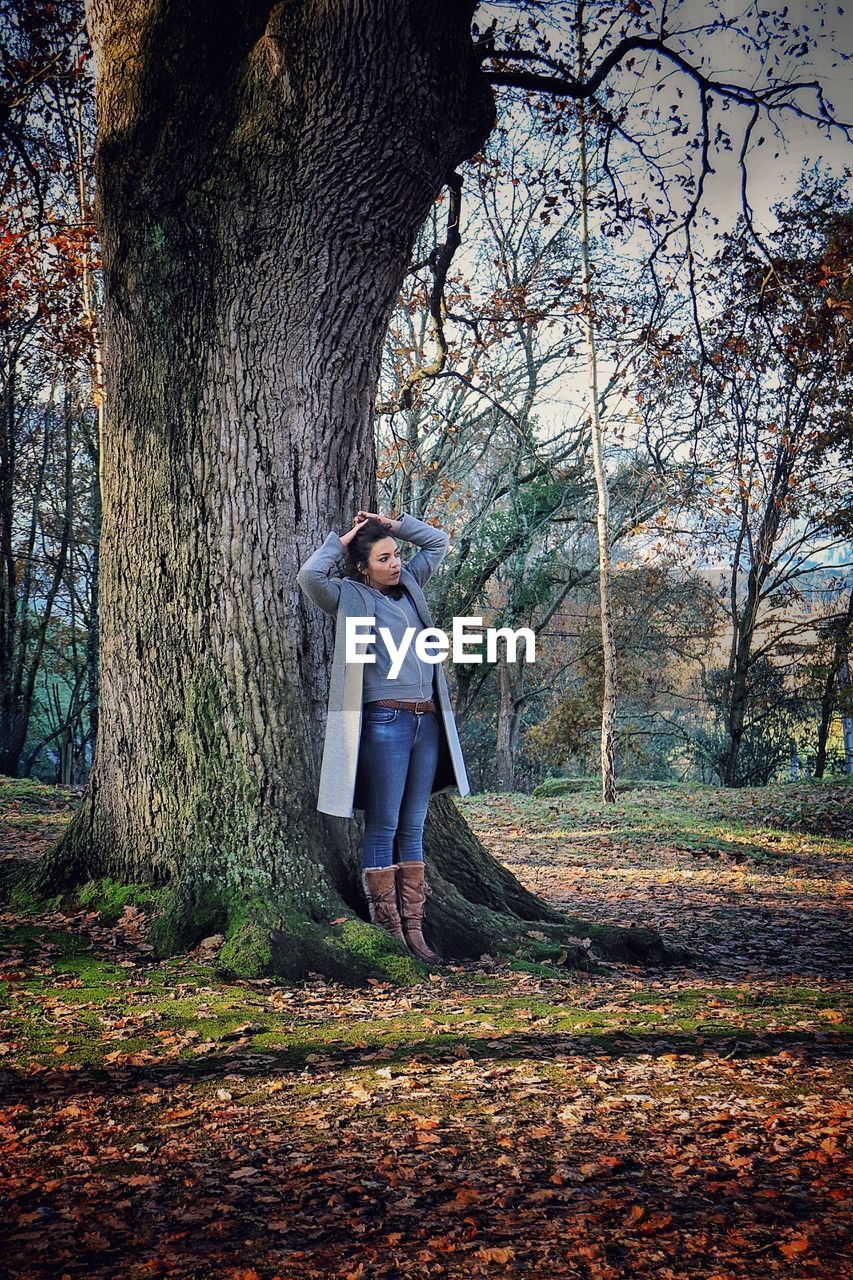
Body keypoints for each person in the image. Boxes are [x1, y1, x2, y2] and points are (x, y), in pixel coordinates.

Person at [296, 508, 470, 965]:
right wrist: (346, 537)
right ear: (363, 566)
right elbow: (309, 576)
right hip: (384, 723)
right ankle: (389, 932)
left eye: (395, 556)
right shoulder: (349, 596)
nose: (395, 564)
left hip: (426, 723)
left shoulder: (411, 586)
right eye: (383, 559)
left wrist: (395, 526)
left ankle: (416, 931)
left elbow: (438, 542)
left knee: (414, 826)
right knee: (384, 825)